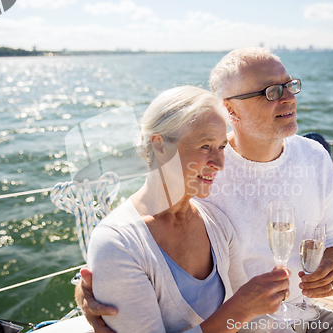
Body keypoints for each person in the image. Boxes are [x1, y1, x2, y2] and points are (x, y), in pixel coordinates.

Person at [77, 48, 333, 333]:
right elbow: (139, 227)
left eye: (290, 85)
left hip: (304, 313)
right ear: (230, 110)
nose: (289, 97)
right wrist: (96, 280)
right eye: (271, 91)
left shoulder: (313, 157)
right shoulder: (196, 183)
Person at [85, 85, 293, 333]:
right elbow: (240, 314)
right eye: (205, 146)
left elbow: (250, 326)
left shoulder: (216, 223)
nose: (219, 163)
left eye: (222, 147)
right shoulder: (117, 243)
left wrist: (248, 312)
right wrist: (240, 310)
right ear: (161, 147)